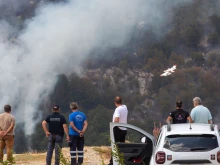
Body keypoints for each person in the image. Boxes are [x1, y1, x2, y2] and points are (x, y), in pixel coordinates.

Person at [109, 96, 128, 165]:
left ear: (115, 103)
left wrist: (113, 125)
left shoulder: (118, 109)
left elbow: (117, 119)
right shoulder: (125, 107)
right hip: (124, 129)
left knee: (115, 146)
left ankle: (112, 162)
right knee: (121, 147)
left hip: (117, 129)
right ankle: (121, 161)